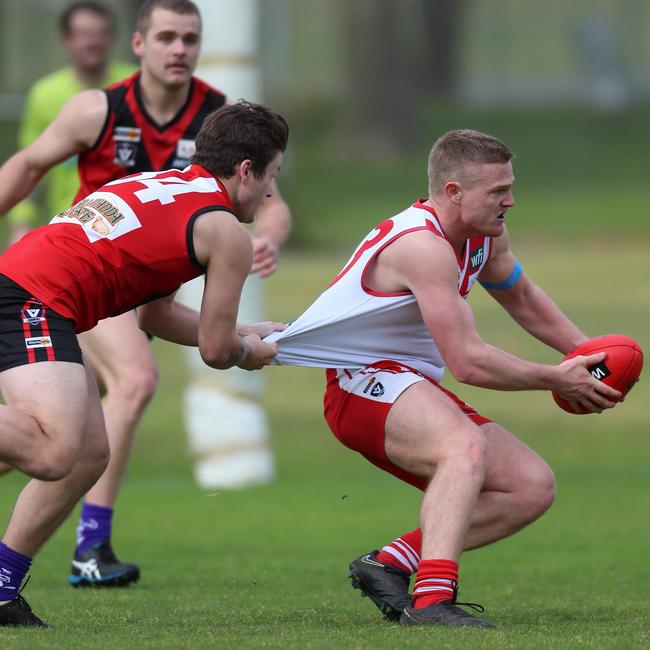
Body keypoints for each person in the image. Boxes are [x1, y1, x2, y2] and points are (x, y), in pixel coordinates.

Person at [265, 129, 621, 628]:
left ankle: (387, 566)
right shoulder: (421, 246)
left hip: (409, 382)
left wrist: (589, 355)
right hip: (360, 386)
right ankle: (433, 601)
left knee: (530, 486)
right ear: (453, 192)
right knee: (463, 448)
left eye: (510, 187)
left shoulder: (484, 233)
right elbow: (470, 363)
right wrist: (558, 379)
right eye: (498, 191)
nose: (510, 201)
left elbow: (521, 296)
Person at [0, 0, 291, 588]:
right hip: (33, 297)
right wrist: (250, 351)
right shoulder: (222, 231)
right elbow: (214, 351)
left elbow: (156, 314)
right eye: (270, 177)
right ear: (244, 169)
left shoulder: (172, 184)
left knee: (86, 455)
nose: (269, 196)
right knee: (55, 449)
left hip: (39, 292)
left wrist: (252, 333)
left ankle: (3, 584)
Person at [6, 1, 136, 244]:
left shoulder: (134, 84)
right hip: (67, 225)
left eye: (100, 34)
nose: (93, 42)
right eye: (84, 34)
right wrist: (21, 222)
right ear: (66, 41)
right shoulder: (45, 94)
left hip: (129, 224)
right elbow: (31, 165)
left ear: (112, 39)